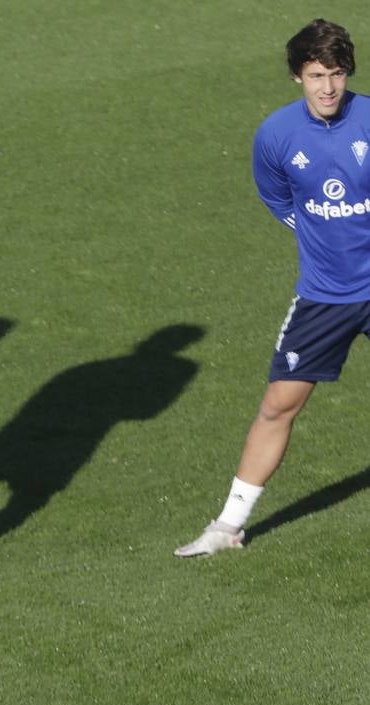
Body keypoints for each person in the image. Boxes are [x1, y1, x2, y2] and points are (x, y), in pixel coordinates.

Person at [177, 19, 370, 557]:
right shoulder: (276, 135)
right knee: (278, 405)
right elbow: (278, 198)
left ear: (347, 72)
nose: (327, 87)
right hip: (323, 296)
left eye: (335, 74)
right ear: (296, 76)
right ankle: (227, 526)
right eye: (315, 75)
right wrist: (320, 233)